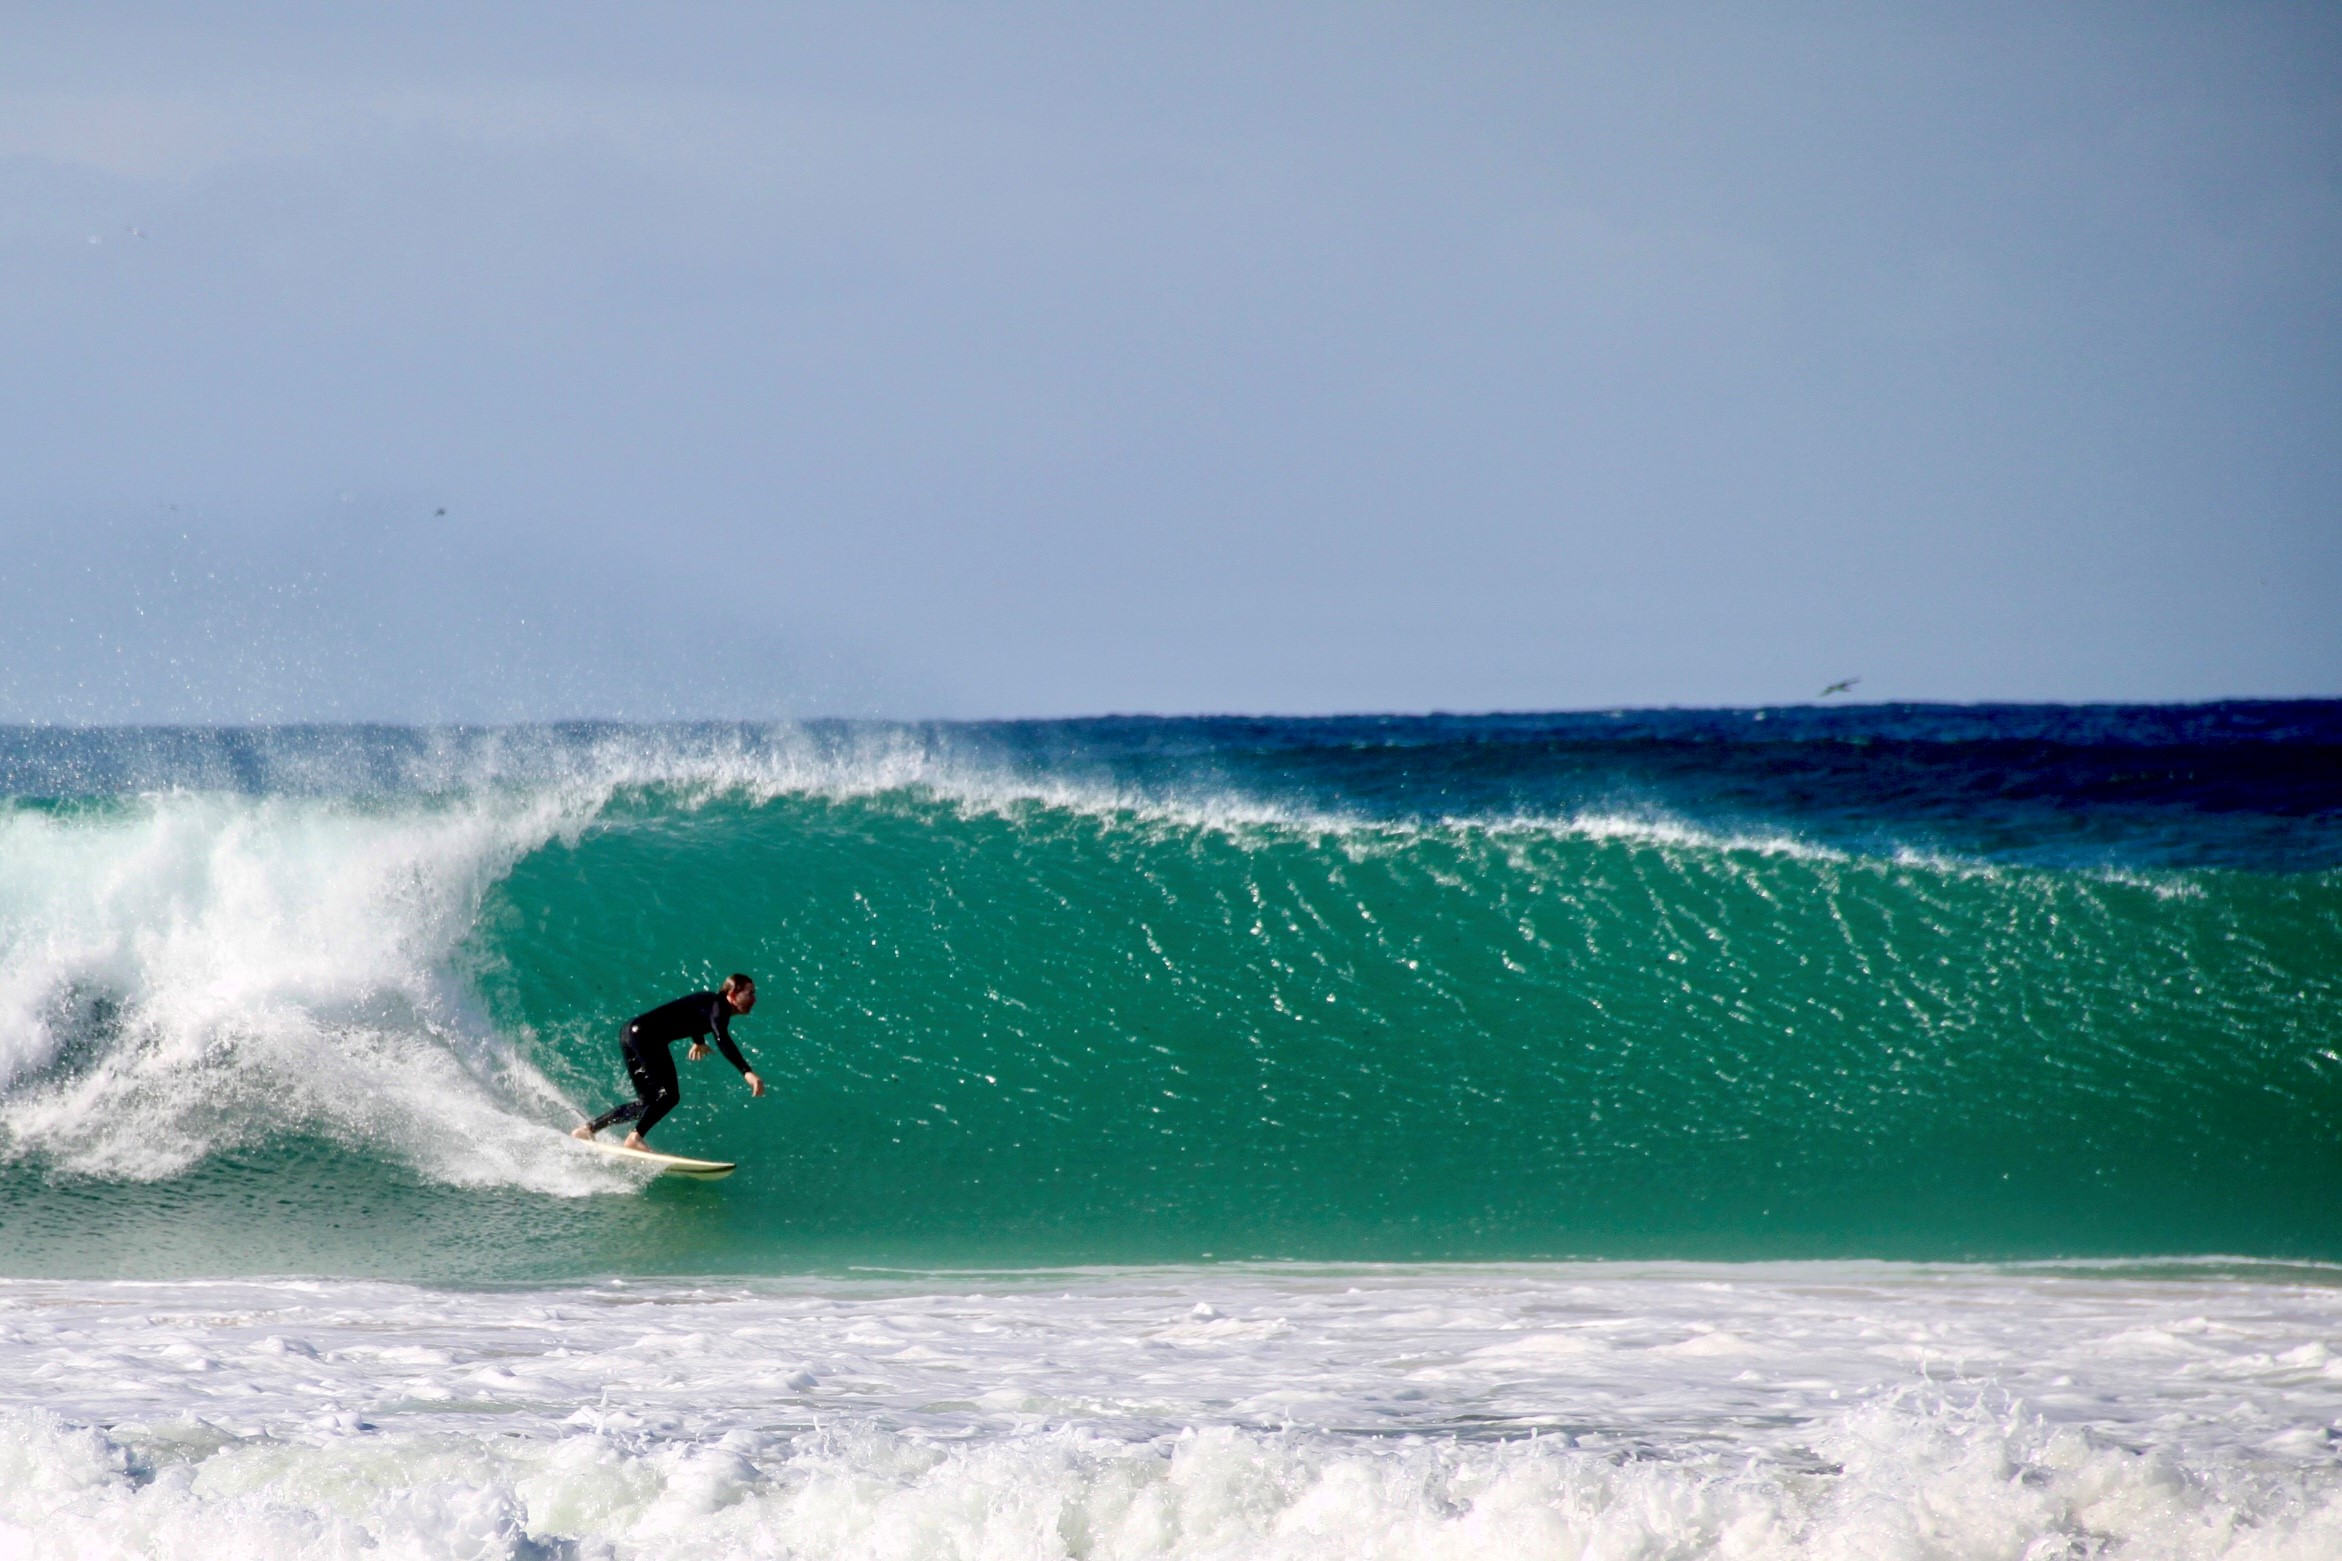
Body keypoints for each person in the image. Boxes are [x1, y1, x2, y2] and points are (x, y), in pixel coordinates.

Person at [572, 974, 766, 1150]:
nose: (754, 999)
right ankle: (635, 1138)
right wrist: (746, 1071)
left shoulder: (709, 1001)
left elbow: (692, 1014)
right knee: (669, 1097)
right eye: (750, 993)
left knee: (648, 1104)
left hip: (630, 1032)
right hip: (647, 1038)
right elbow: (721, 1037)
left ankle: (589, 1129)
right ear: (733, 994)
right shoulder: (720, 1007)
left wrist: (698, 1041)